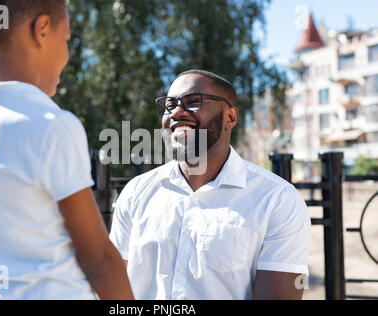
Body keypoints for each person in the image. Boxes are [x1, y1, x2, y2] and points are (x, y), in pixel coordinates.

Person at [0, 0, 134, 300]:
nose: (67, 53)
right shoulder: (51, 125)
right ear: (42, 30)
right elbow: (99, 261)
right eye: (67, 39)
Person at [109, 69, 311, 300]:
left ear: (230, 117)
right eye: (169, 105)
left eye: (193, 102)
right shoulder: (136, 192)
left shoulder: (277, 200)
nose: (176, 112)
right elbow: (114, 286)